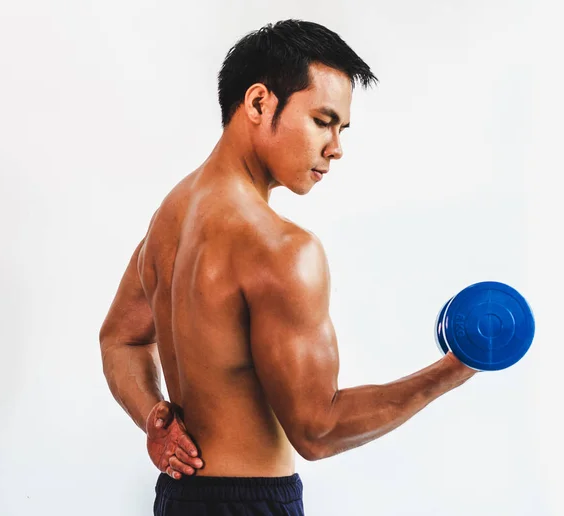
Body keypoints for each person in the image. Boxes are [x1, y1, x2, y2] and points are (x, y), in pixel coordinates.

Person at [98, 19, 477, 516]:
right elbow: (318, 430)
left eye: (341, 129)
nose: (336, 147)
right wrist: (456, 367)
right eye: (323, 121)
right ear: (259, 103)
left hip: (178, 499)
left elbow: (119, 340)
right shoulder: (281, 249)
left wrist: (155, 416)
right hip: (253, 503)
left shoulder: (171, 215)